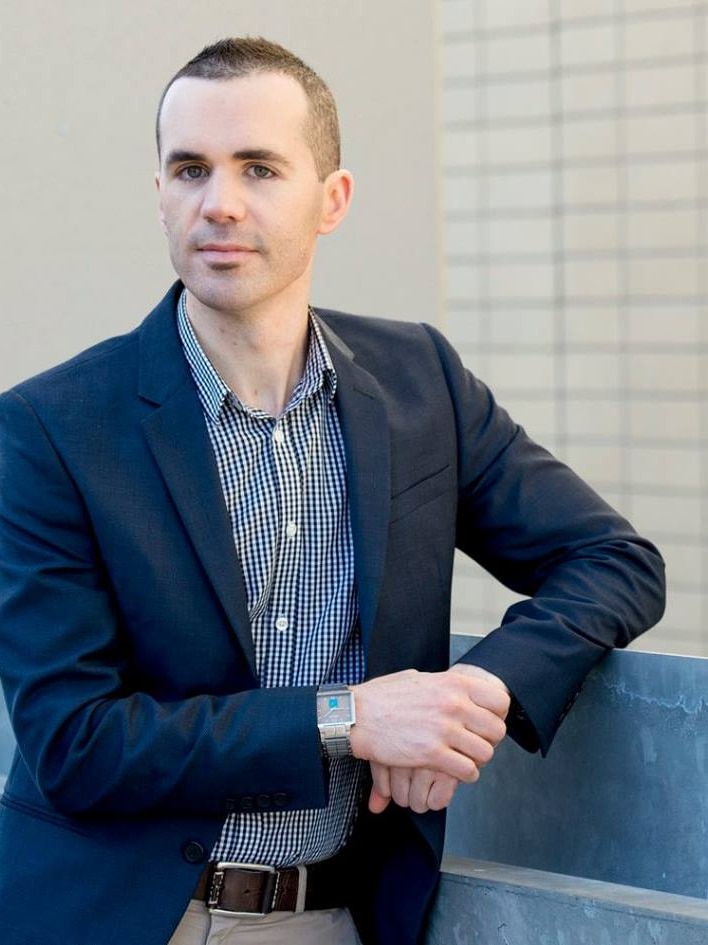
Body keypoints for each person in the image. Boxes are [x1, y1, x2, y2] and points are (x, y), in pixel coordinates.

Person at [0, 36, 664, 945]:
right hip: (118, 917)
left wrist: (466, 702)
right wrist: (351, 720)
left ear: (332, 200)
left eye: (260, 168)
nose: (219, 203)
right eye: (189, 169)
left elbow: (613, 559)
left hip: (340, 916)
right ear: (159, 195)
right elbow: (75, 743)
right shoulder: (49, 428)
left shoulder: (419, 381)